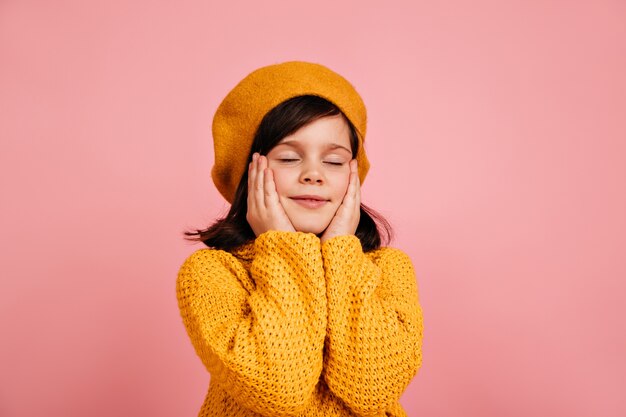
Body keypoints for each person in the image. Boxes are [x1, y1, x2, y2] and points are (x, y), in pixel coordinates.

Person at [176, 61, 424, 417]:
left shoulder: (389, 269)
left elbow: (375, 388)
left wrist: (340, 252)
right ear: (250, 172)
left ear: (353, 177)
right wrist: (282, 246)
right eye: (290, 158)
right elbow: (279, 389)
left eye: (334, 162)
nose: (313, 174)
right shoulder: (212, 273)